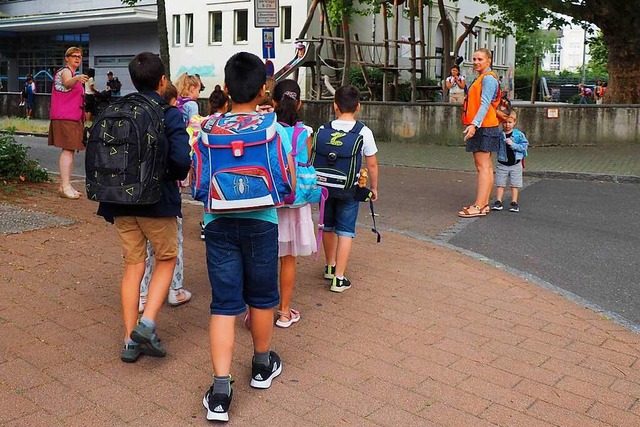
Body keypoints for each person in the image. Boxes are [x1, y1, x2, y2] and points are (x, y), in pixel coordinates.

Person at [201, 52, 292, 422]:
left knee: (224, 304)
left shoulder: (207, 128)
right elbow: (285, 177)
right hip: (262, 220)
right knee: (262, 296)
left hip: (218, 220)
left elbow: (196, 178)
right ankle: (260, 366)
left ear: (225, 88)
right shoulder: (274, 127)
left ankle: (221, 391)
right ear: (262, 89)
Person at [96, 52, 191, 363]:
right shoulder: (168, 113)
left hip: (119, 201)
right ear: (163, 81)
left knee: (133, 267)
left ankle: (128, 339)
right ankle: (147, 323)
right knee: (167, 257)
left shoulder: (116, 108)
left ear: (133, 80)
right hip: (155, 201)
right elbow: (179, 160)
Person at [138, 80, 192, 312]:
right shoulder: (170, 117)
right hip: (165, 192)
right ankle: (175, 289)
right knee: (172, 246)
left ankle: (142, 293)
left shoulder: (140, 115)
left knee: (143, 249)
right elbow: (181, 158)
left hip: (137, 193)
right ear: (173, 100)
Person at [319, 85, 379, 293]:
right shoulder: (363, 131)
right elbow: (372, 164)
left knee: (327, 226)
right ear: (358, 107)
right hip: (349, 189)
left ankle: (329, 265)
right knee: (345, 231)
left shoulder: (323, 129)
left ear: (334, 105)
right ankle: (339, 278)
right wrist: (374, 187)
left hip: (324, 187)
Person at [272, 79, 316, 327]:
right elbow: (306, 162)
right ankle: (285, 312)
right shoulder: (305, 133)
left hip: (270, 201)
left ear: (274, 102)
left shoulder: (268, 129)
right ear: (299, 103)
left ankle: (257, 311)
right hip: (295, 203)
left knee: (265, 257)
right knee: (288, 258)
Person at [459, 48, 502, 218]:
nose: (476, 62)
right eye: (474, 59)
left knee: (483, 166)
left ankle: (478, 205)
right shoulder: (484, 78)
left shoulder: (488, 79)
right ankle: (483, 205)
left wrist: (474, 125)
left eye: (480, 59)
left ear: (488, 60)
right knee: (486, 166)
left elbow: (484, 104)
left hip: (483, 126)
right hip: (486, 125)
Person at [48, 47, 89, 199]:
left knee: (70, 151)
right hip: (66, 117)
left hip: (72, 117)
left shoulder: (72, 74)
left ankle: (66, 184)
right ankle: (64, 186)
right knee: (67, 150)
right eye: (74, 56)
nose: (77, 59)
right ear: (67, 58)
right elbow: (67, 83)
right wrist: (77, 79)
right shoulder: (66, 72)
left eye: (79, 56)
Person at [491, 110, 528, 213]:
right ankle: (498, 201)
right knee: (500, 183)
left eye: (509, 122)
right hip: (502, 163)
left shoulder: (518, 135)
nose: (507, 125)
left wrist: (513, 144)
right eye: (505, 122)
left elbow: (524, 146)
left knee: (514, 184)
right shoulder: (500, 134)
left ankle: (514, 202)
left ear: (514, 122)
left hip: (515, 164)